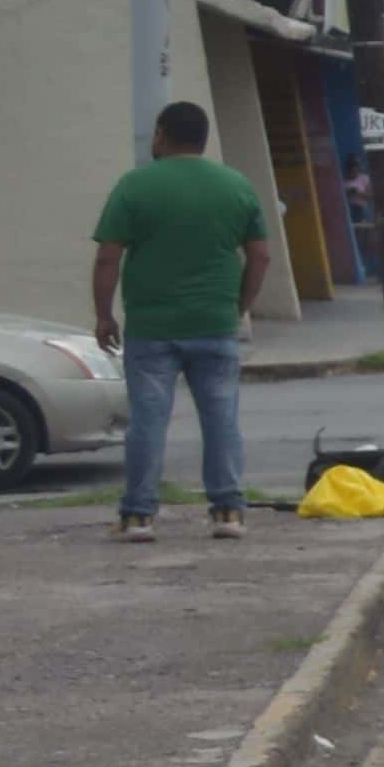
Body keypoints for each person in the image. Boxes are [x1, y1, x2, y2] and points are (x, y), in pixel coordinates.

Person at [89, 96, 276, 544]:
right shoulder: (235, 186)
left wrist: (103, 315)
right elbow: (261, 255)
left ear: (161, 134)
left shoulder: (135, 186)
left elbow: (107, 257)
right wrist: (239, 305)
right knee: (221, 418)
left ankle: (138, 516)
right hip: (215, 323)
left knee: (148, 423)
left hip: (152, 328)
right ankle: (228, 510)